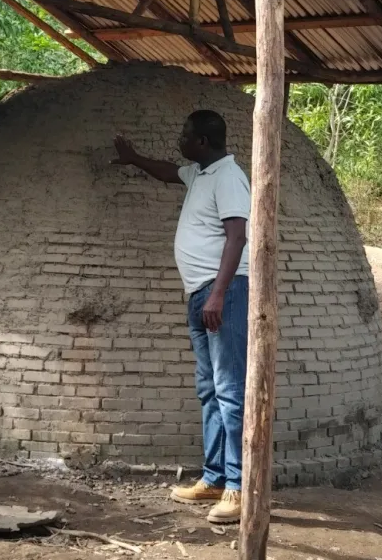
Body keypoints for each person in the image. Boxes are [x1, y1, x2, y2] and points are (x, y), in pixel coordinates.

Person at [111, 110, 250, 525]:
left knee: (229, 391)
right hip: (201, 294)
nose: (180, 141)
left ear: (203, 142)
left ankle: (239, 489)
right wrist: (134, 158)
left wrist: (219, 294)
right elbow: (170, 172)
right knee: (209, 389)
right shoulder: (201, 173)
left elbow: (238, 235)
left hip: (221, 293)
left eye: (185, 135)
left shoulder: (228, 177)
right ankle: (213, 477)